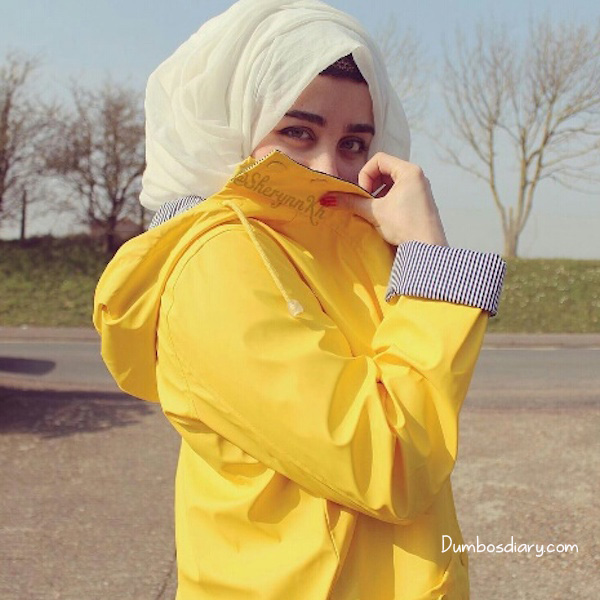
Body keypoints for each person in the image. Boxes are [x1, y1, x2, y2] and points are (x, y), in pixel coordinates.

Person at [94, 1, 506, 598]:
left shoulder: (348, 249)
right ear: (230, 124)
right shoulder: (217, 263)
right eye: (297, 133)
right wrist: (431, 264)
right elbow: (392, 461)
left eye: (354, 143)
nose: (328, 167)